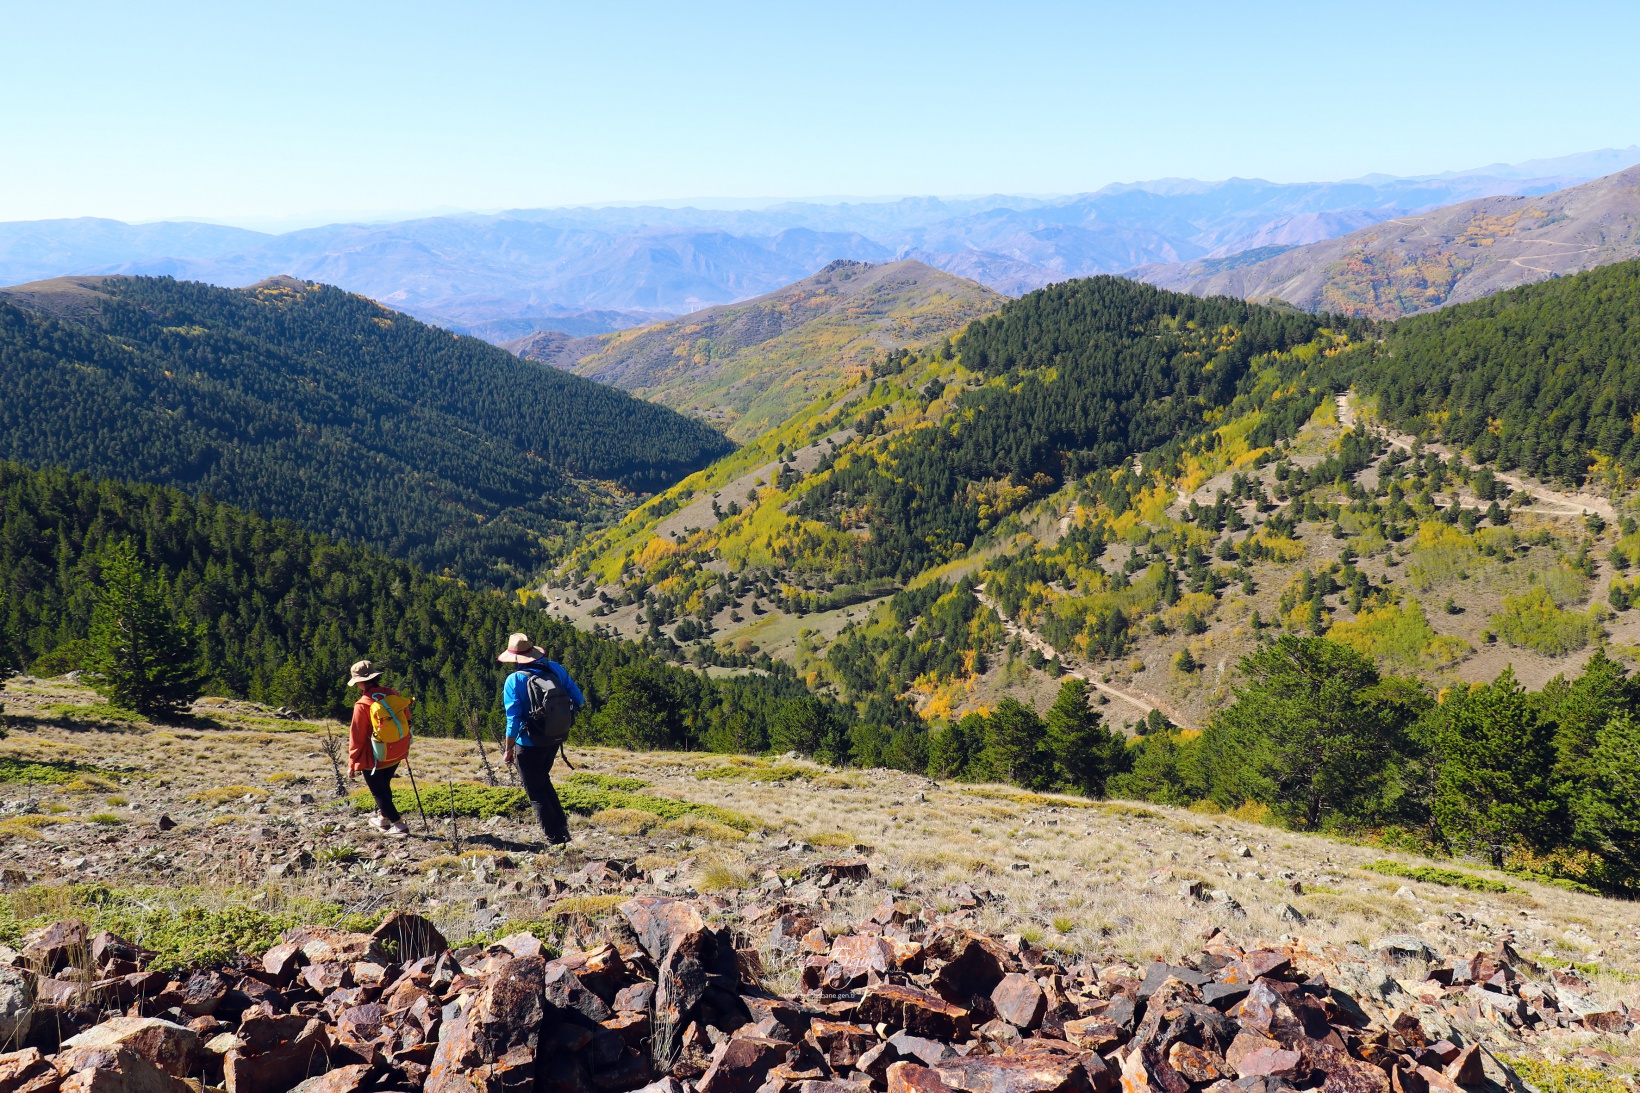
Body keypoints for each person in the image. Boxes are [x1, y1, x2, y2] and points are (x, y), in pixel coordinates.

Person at [498, 632, 585, 845]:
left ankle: (555, 838)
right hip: (554, 738)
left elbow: (513, 720)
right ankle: (562, 828)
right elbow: (579, 699)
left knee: (536, 791)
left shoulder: (514, 680)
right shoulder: (555, 668)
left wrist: (508, 749)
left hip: (528, 743)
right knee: (543, 780)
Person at [347, 659, 411, 837]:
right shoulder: (392, 693)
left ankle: (399, 826)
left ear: (360, 682)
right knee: (384, 785)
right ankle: (383, 819)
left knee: (378, 792)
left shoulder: (362, 704)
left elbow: (357, 736)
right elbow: (407, 717)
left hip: (375, 756)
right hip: (396, 751)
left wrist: (352, 763)